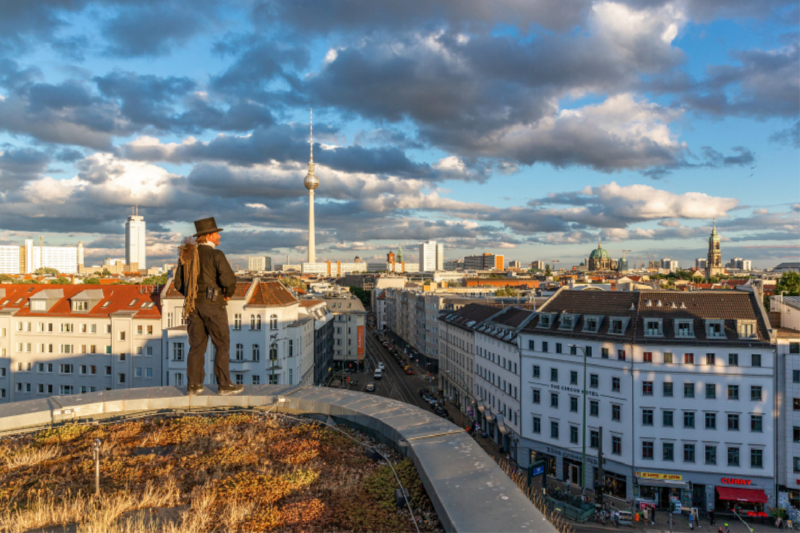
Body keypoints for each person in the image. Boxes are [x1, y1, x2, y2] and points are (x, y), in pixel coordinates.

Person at [174, 217, 243, 396]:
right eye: (217, 233)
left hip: (193, 306)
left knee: (196, 347)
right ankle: (224, 385)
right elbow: (228, 280)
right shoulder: (216, 255)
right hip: (213, 305)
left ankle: (194, 386)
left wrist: (192, 294)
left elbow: (178, 284)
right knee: (222, 345)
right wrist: (227, 293)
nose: (219, 236)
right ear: (209, 235)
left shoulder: (188, 256)